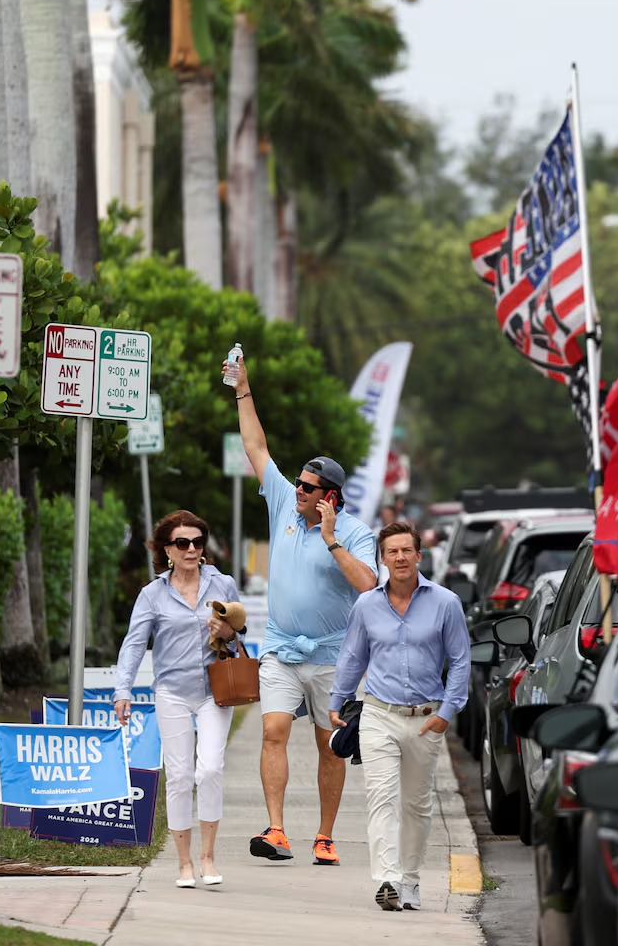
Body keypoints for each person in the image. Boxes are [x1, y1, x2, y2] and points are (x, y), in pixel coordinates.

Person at [231, 356, 378, 867]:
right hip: (280, 649)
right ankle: (276, 831)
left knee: (328, 744)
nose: (297, 489)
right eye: (297, 482)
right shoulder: (282, 507)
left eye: (308, 487)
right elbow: (256, 447)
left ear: (329, 497)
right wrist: (243, 390)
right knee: (273, 730)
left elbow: (369, 584)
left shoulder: (356, 533)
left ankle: (325, 836)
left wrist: (334, 539)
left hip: (333, 658)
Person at [329, 520, 469, 912]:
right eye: (392, 551)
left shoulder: (445, 603)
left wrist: (447, 711)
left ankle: (410, 879)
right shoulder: (367, 605)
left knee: (417, 805)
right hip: (378, 713)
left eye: (407, 550)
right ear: (383, 558)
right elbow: (353, 657)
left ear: (419, 556)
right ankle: (387, 878)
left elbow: (460, 661)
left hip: (426, 718)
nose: (401, 557)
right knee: (382, 797)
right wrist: (337, 700)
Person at [113, 510, 240, 889]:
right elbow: (134, 644)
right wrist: (123, 690)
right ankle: (184, 862)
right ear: (167, 549)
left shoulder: (223, 584)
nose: (191, 549)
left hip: (215, 691)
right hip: (171, 692)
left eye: (197, 542)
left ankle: (208, 858)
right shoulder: (152, 594)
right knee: (181, 775)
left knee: (211, 769)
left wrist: (227, 631)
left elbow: (239, 633)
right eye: (182, 543)